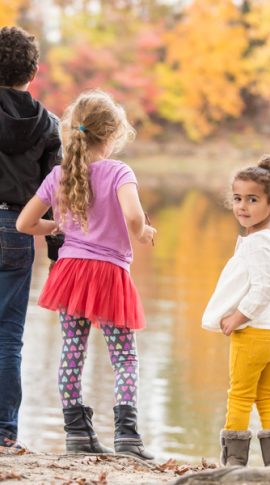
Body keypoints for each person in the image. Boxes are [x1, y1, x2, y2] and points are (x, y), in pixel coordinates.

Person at [16, 89, 156, 460]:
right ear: (110, 137)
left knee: (72, 352)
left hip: (71, 272)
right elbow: (132, 216)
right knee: (123, 356)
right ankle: (127, 436)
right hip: (109, 273)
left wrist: (57, 227)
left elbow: (24, 223)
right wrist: (141, 231)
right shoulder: (119, 171)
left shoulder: (60, 175)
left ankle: (76, 433)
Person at [202, 155, 270, 467]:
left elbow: (266, 288)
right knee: (269, 396)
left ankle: (234, 464)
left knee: (239, 396)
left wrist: (237, 317)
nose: (242, 206)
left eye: (252, 200)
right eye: (238, 198)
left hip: (254, 334)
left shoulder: (256, 243)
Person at [0, 26, 63, 449]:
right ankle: (4, 432)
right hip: (16, 231)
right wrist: (61, 255)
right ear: (35, 71)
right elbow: (54, 195)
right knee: (7, 336)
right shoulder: (50, 125)